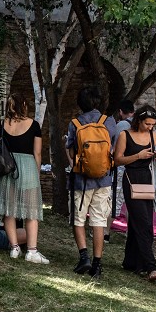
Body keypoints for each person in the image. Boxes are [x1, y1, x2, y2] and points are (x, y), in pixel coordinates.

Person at [65, 86, 120, 278]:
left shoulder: (75, 123)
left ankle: (84, 257)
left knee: (78, 219)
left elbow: (71, 152)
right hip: (103, 179)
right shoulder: (109, 122)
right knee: (98, 220)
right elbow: (113, 149)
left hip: (81, 179)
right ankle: (97, 264)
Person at [0, 93, 48, 263]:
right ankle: (32, 251)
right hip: (27, 167)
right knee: (31, 210)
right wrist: (37, 172)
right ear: (24, 105)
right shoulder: (34, 125)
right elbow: (38, 152)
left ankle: (14, 247)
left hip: (7, 167)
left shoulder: (1, 124)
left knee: (9, 210)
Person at [114, 106, 156, 281]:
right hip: (130, 178)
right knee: (144, 223)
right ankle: (151, 266)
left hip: (147, 178)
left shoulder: (153, 135)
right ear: (139, 120)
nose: (150, 127)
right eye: (147, 123)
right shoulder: (124, 135)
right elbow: (117, 159)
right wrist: (138, 156)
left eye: (152, 124)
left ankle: (131, 262)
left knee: (139, 221)